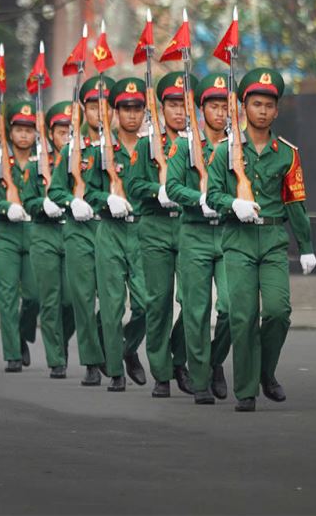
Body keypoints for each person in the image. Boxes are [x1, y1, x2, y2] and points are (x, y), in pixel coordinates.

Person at [204, 68, 316, 411]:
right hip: (237, 239)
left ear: (277, 110)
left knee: (279, 312)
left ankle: (267, 372)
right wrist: (233, 204)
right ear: (244, 107)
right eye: (256, 104)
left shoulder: (287, 154)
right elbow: (211, 196)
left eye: (269, 104)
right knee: (243, 316)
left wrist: (307, 247)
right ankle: (247, 390)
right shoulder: (227, 151)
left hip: (272, 238)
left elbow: (296, 202)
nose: (263, 110)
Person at [165, 70, 236, 404]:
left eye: (225, 106)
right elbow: (172, 186)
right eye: (214, 106)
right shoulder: (185, 144)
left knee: (233, 306)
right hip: (193, 232)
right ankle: (199, 375)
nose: (220, 113)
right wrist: (199, 199)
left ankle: (213, 360)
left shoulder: (239, 146)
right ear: (201, 108)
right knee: (195, 309)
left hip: (228, 233)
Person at [84, 77, 152, 392]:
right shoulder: (101, 150)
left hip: (141, 231)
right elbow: (87, 192)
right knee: (111, 306)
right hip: (109, 230)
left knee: (146, 304)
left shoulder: (153, 148)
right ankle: (114, 371)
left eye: (137, 107)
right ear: (115, 111)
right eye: (125, 108)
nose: (132, 114)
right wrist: (105, 199)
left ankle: (128, 348)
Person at [125, 70, 190, 397]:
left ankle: (180, 358)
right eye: (173, 104)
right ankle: (162, 372)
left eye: (184, 104)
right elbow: (132, 184)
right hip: (155, 227)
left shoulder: (201, 145)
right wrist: (158, 191)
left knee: (193, 299)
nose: (179, 111)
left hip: (190, 227)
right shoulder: (148, 143)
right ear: (162, 108)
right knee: (159, 302)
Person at [50, 75, 113, 386]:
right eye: (92, 106)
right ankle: (90, 360)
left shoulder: (131, 147)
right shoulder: (73, 150)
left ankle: (108, 341)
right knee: (84, 298)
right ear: (83, 110)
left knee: (129, 301)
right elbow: (54, 191)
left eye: (105, 106)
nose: (99, 112)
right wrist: (70, 202)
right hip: (80, 231)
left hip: (114, 231)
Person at [0, 99, 41, 371]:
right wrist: (7, 207)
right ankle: (12, 354)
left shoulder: (43, 164)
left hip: (33, 233)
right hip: (5, 234)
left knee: (34, 295)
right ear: (10, 131)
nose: (24, 134)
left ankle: (22, 334)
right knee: (7, 295)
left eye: (29, 129)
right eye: (19, 129)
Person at [23, 100, 77, 378]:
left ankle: (62, 341)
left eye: (71, 130)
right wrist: (41, 205)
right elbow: (26, 198)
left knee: (72, 300)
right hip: (44, 232)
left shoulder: (82, 161)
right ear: (51, 134)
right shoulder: (37, 166)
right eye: (61, 131)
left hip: (72, 231)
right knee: (51, 298)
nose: (66, 136)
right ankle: (56, 358)